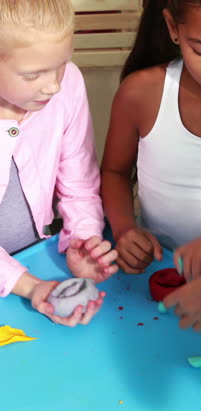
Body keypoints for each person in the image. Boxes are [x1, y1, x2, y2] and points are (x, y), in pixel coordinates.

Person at [100, 0, 201, 330]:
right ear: (174, 29)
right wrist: (124, 229)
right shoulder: (140, 93)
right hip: (154, 269)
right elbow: (114, 172)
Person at [0, 0, 118, 327]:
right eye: (33, 74)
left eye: (61, 64)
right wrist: (29, 286)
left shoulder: (68, 86)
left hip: (33, 256)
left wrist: (81, 239)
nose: (53, 85)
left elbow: (79, 184)